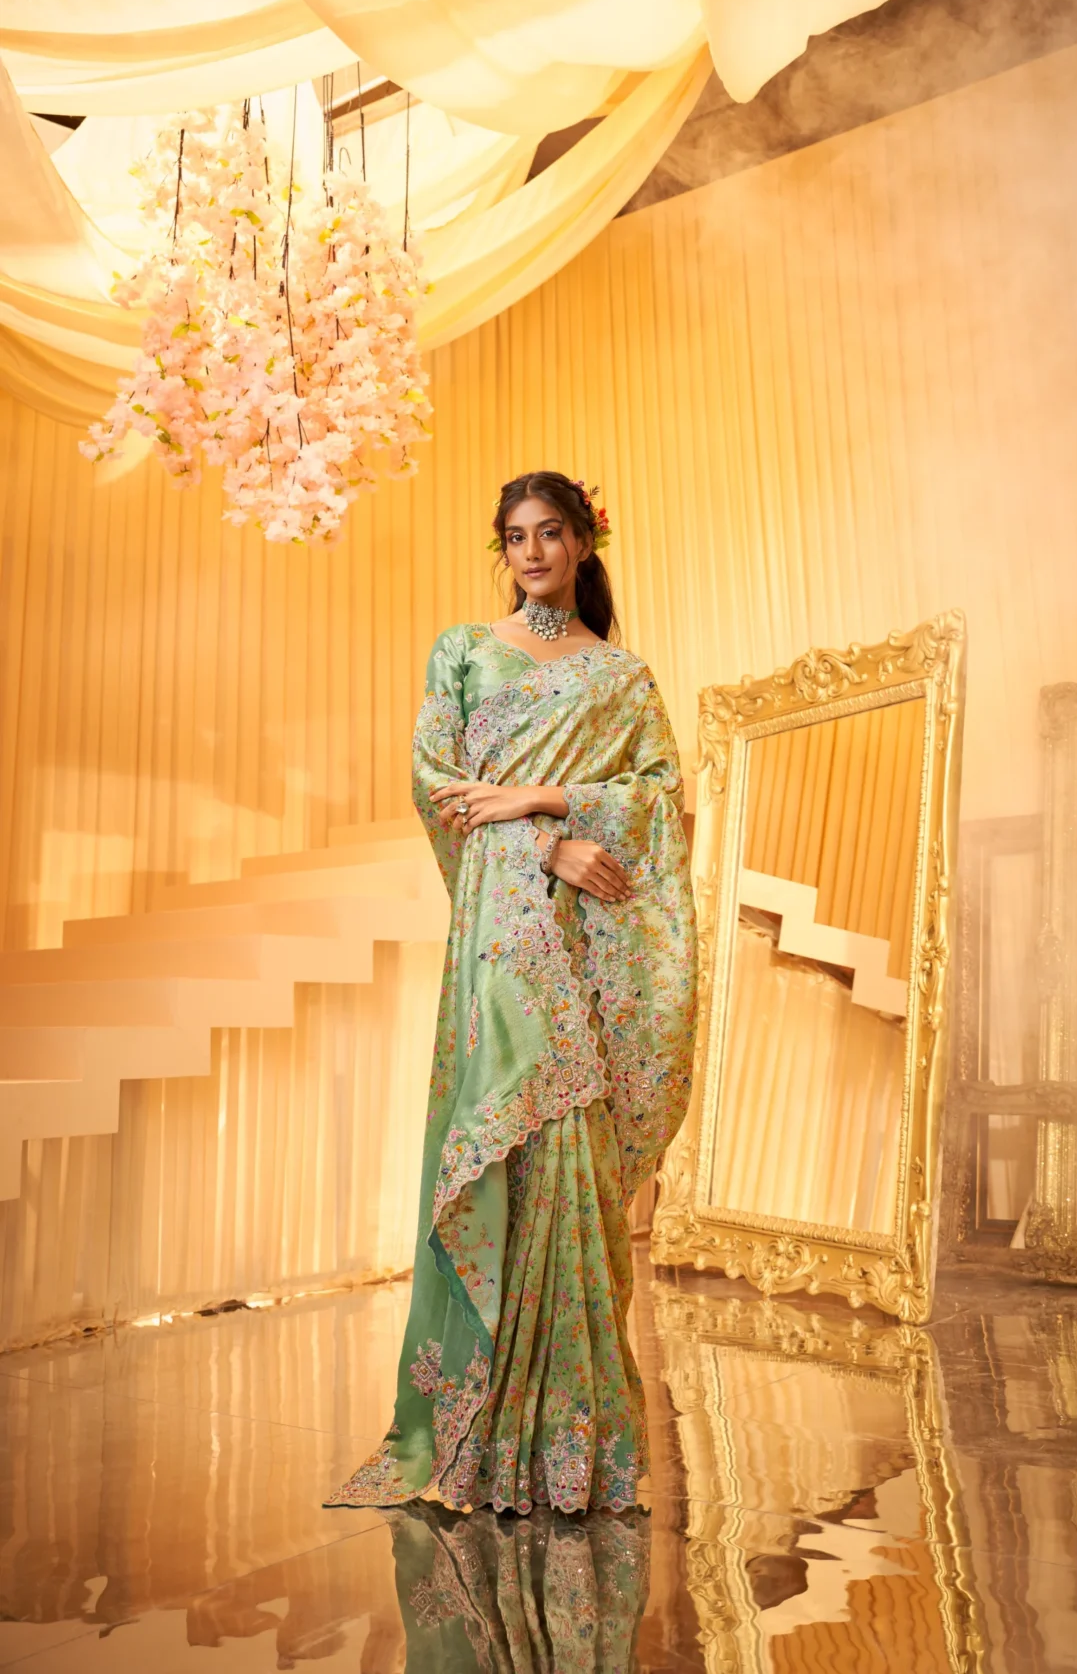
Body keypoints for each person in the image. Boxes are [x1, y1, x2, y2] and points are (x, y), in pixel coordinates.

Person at [326, 470, 697, 1515]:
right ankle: (474, 1434)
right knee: (502, 1135)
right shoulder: (465, 651)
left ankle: (571, 1437)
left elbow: (667, 799)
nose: (531, 553)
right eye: (516, 538)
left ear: (584, 543)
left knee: (568, 1153)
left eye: (550, 534)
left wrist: (551, 796)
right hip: (501, 933)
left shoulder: (623, 678)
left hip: (582, 950)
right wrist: (550, 848)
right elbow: (437, 783)